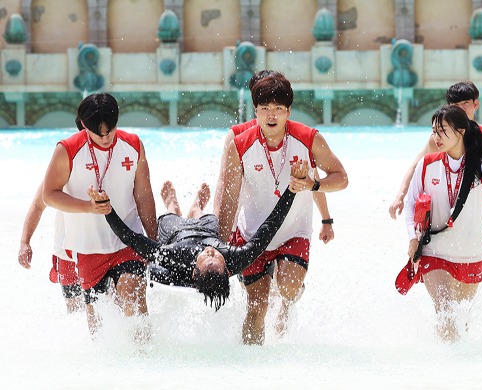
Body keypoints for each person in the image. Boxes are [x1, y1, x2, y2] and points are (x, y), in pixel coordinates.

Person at [216, 73, 348, 345]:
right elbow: (229, 199)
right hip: (252, 236)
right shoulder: (238, 145)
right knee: (257, 307)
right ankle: (251, 369)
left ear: (289, 111)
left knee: (287, 289)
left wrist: (313, 186)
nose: (271, 115)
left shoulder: (309, 138)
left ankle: (291, 295)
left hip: (293, 232)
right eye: (265, 109)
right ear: (255, 111)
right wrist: (219, 244)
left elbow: (341, 178)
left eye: (278, 109)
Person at [87, 162, 306, 311]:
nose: (211, 252)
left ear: (194, 268)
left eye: (206, 258)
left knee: (168, 218)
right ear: (226, 267)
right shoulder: (236, 258)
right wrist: (291, 190)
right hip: (207, 228)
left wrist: (108, 211)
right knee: (211, 222)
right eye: (216, 258)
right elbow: (270, 227)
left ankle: (172, 204)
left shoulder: (174, 257)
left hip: (176, 233)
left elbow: (132, 239)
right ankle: (197, 208)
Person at [42, 93, 157, 339]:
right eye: (98, 133)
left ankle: (146, 358)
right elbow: (48, 195)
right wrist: (89, 207)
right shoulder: (67, 150)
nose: (105, 138)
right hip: (88, 247)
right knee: (99, 325)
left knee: (133, 296)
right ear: (84, 126)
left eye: (111, 131)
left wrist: (152, 240)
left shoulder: (134, 144)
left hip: (128, 240)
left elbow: (144, 196)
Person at [402, 105, 482, 342]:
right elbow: (410, 204)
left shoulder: (481, 166)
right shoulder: (427, 164)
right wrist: (412, 237)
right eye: (433, 131)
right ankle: (445, 371)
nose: (436, 137)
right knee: (445, 313)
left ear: (461, 131)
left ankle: (462, 372)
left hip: (471, 256)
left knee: (461, 321)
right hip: (435, 252)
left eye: (442, 131)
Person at [217, 69, 336, 244]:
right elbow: (223, 183)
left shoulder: (295, 136)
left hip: (285, 225)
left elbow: (312, 176)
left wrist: (326, 219)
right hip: (245, 221)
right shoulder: (238, 136)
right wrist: (219, 226)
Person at [389, 81, 482, 219]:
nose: (461, 109)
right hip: (445, 203)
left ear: (476, 104)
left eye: (465, 103)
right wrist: (400, 196)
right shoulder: (438, 140)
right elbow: (415, 167)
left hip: (478, 204)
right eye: (456, 106)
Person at [18, 182, 84, 313]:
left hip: (103, 249)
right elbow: (38, 205)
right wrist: (24, 242)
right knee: (75, 312)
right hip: (66, 252)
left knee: (109, 306)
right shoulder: (62, 165)